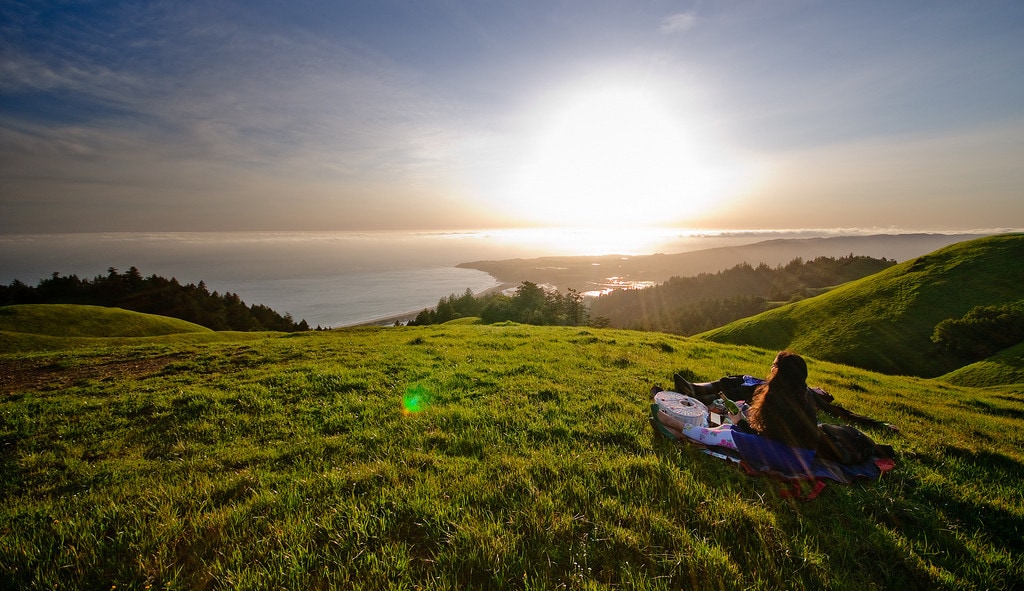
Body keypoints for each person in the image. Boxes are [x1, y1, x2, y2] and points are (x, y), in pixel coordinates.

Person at [663, 351, 821, 451]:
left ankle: (678, 427)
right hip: (796, 453)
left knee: (726, 435)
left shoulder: (780, 400)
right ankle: (682, 432)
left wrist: (739, 421)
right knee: (726, 426)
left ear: (778, 371)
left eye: (773, 366)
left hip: (786, 455)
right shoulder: (801, 394)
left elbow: (762, 437)